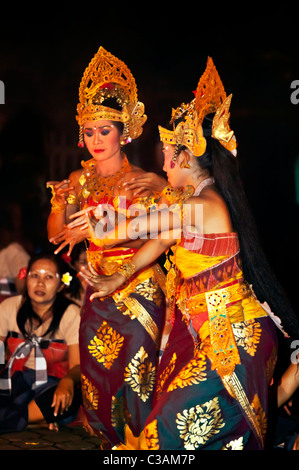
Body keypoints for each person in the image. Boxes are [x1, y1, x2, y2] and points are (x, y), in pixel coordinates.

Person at [79, 58, 299, 450]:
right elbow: (161, 238)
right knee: (186, 431)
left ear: (183, 157)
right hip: (205, 332)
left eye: (166, 153)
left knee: (167, 432)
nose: (164, 163)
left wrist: (104, 226)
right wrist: (119, 275)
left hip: (231, 339)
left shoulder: (206, 205)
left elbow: (142, 225)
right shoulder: (192, 200)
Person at [46, 47, 167, 449]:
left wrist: (96, 233)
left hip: (138, 285)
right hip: (96, 289)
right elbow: (56, 234)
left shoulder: (145, 181)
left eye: (105, 130)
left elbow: (159, 233)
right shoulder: (78, 181)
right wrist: (61, 202)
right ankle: (110, 448)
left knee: (136, 373)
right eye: (89, 131)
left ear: (124, 132)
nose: (96, 139)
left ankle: (143, 448)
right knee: (97, 376)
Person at [0, 253, 81, 433]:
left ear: (61, 285)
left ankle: (15, 419)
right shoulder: (9, 307)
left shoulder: (71, 314)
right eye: (34, 275)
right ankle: (29, 420)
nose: (40, 283)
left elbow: (77, 365)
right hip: (13, 382)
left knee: (68, 401)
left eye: (49, 277)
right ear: (25, 277)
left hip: (51, 387)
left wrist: (67, 381)